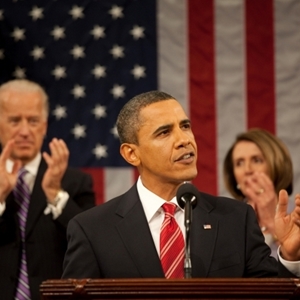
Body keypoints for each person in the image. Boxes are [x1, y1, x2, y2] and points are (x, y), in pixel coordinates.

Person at [62, 90, 300, 280]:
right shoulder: (92, 230)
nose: (184, 140)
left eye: (185, 126)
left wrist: (289, 256)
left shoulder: (236, 219)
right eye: (164, 132)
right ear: (132, 154)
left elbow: (269, 294)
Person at [0, 79, 95, 300]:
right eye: (14, 121)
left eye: (33, 121)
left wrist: (55, 194)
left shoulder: (74, 182)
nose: (25, 131)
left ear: (44, 126)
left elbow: (92, 244)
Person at [223, 128, 293, 258]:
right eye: (239, 163)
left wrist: (271, 221)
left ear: (276, 165)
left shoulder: (296, 214)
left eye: (256, 160)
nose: (247, 170)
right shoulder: (223, 221)